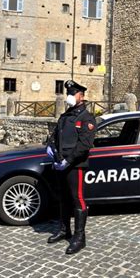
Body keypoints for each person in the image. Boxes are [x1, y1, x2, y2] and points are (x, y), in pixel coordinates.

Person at [47, 80, 97, 254]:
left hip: (76, 166)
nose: (68, 97)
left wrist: (68, 161)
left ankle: (79, 237)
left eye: (72, 94)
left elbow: (84, 145)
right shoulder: (65, 116)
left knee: (78, 199)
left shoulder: (87, 118)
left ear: (81, 96)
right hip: (60, 164)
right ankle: (64, 230)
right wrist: (51, 150)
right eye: (67, 94)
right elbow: (54, 137)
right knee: (63, 198)